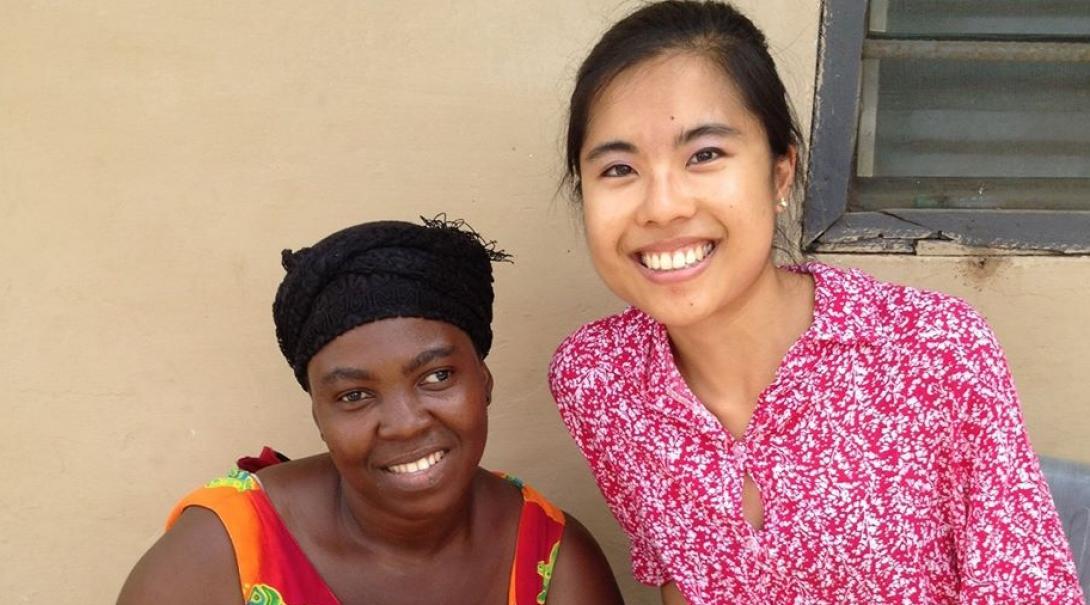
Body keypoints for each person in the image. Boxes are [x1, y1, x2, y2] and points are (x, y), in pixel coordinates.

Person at [548, 2, 1084, 604]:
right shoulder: (596, 381)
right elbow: (683, 576)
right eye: (619, 168)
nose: (662, 206)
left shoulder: (933, 352)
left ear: (780, 175)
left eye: (704, 155)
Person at [118, 217, 623, 605]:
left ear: (483, 381)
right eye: (354, 396)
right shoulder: (221, 555)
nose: (405, 423)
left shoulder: (551, 564)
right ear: (319, 417)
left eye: (437, 376)